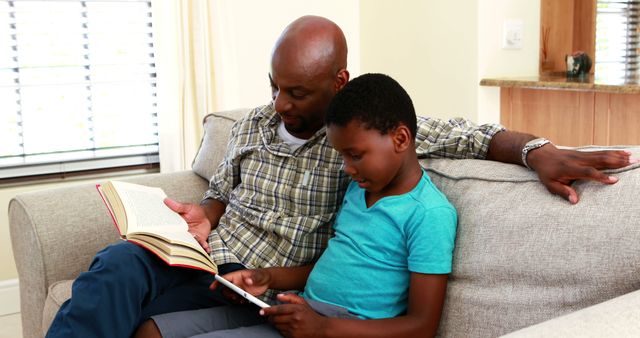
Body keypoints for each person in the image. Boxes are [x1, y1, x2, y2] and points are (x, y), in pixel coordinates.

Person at [46, 15, 635, 338]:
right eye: (274, 85)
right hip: (214, 260)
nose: (279, 102)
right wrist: (204, 216)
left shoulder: (358, 140)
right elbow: (221, 190)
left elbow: (469, 134)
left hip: (263, 289)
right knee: (119, 264)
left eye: (296, 91)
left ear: (339, 81)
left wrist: (537, 150)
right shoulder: (252, 124)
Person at [139, 73, 457, 338]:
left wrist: (323, 327)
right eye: (342, 156)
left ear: (401, 139)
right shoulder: (360, 189)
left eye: (355, 155)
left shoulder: (429, 214)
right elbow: (332, 266)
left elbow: (422, 326)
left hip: (339, 329)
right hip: (298, 311)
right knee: (152, 330)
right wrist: (266, 277)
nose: (346, 167)